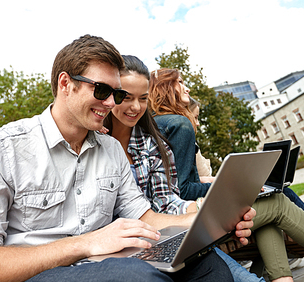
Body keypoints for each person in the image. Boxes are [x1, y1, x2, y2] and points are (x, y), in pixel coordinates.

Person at [0, 35, 260, 282]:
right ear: (65, 84)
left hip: (105, 267)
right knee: (136, 276)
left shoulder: (110, 149)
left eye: (117, 94)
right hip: (38, 274)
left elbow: (145, 219)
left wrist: (209, 223)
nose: (111, 103)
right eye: (101, 90)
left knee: (207, 267)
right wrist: (86, 243)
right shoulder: (1, 150)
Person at [148, 68, 304, 282]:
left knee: (265, 199)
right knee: (275, 201)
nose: (186, 87)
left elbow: (178, 180)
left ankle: (287, 277)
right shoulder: (180, 124)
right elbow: (183, 189)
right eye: (180, 82)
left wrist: (231, 184)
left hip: (175, 216)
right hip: (186, 219)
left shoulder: (158, 124)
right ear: (167, 89)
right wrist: (232, 188)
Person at [103, 55, 266, 282]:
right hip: (119, 251)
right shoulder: (95, 145)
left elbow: (166, 201)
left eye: (143, 98)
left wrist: (210, 211)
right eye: (126, 98)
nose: (135, 107)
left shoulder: (152, 144)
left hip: (162, 237)